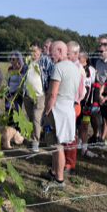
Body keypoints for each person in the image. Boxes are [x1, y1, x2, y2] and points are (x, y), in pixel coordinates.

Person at [41, 41, 81, 190]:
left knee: (57, 146)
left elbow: (52, 93)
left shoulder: (58, 67)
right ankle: (53, 172)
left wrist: (46, 111)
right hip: (68, 108)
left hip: (57, 110)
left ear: (59, 50)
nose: (50, 56)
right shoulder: (75, 68)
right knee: (59, 145)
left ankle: (59, 180)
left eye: (52, 52)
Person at [24, 42, 53, 152]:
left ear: (40, 51)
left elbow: (50, 75)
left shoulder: (44, 61)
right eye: (31, 51)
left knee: (36, 118)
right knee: (31, 118)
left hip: (39, 95)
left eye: (35, 51)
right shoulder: (28, 61)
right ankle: (31, 140)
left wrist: (49, 90)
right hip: (27, 95)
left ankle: (36, 142)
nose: (33, 53)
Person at [63, 41, 86, 174]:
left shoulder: (79, 70)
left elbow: (80, 92)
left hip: (72, 105)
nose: (65, 54)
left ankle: (70, 164)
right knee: (63, 133)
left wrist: (70, 103)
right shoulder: (67, 66)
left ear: (76, 53)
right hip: (65, 104)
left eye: (68, 52)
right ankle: (61, 158)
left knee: (70, 135)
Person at [90, 38, 107, 143]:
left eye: (101, 52)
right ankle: (96, 135)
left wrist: (103, 93)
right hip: (97, 89)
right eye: (98, 51)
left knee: (105, 116)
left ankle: (102, 138)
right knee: (93, 112)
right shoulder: (98, 62)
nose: (99, 53)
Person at [78, 50, 99, 158]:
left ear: (85, 58)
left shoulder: (92, 70)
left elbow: (96, 87)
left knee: (85, 126)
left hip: (87, 103)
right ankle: (76, 143)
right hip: (76, 103)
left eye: (79, 56)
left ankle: (84, 148)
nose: (77, 58)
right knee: (75, 125)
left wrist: (95, 102)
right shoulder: (74, 67)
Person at [5, 51, 27, 123]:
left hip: (16, 94)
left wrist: (15, 95)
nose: (11, 61)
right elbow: (7, 80)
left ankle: (15, 129)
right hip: (9, 92)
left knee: (15, 113)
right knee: (8, 112)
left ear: (18, 60)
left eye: (13, 59)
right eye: (10, 59)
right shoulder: (9, 68)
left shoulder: (21, 69)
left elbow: (20, 84)